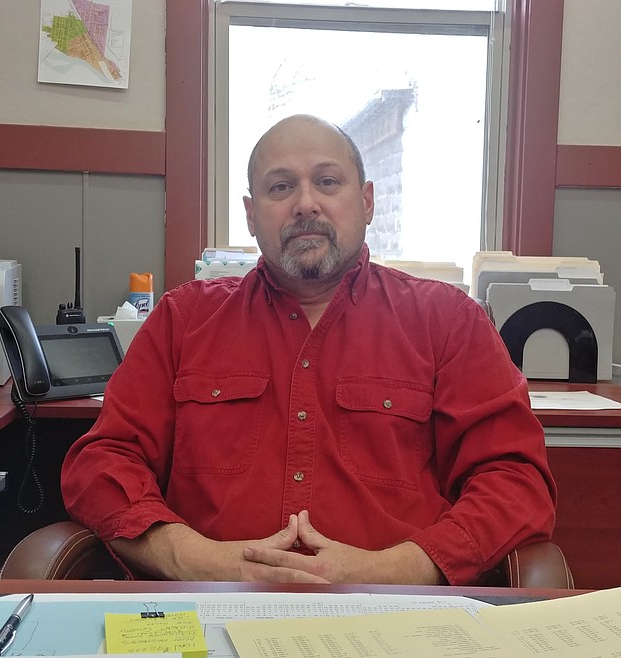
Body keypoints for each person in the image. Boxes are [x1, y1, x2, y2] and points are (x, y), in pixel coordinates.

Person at [61, 114, 556, 586]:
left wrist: (396, 569)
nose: (305, 204)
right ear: (251, 215)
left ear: (366, 202)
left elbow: (513, 482)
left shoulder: (448, 321)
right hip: (205, 608)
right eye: (281, 187)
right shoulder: (182, 320)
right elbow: (102, 463)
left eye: (327, 182)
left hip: (400, 615)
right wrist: (194, 558)